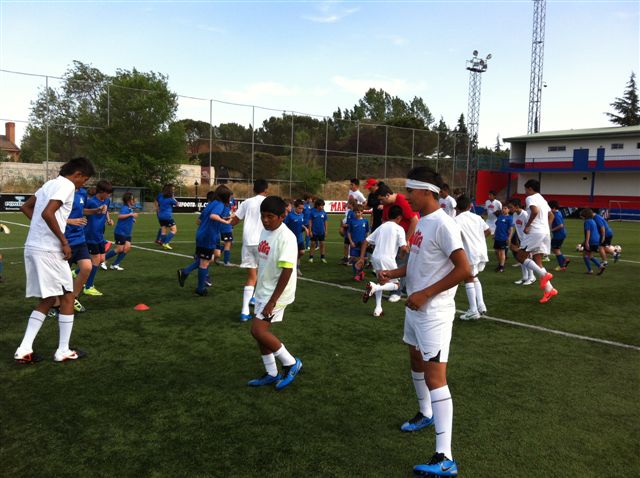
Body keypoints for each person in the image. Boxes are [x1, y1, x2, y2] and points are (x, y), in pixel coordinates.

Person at [377, 166, 469, 476]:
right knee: (415, 360)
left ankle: (445, 457)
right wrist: (395, 273)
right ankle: (425, 412)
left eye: (410, 191)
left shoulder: (443, 224)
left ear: (426, 192)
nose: (405, 197)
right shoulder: (422, 223)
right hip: (415, 307)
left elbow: (464, 269)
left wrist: (426, 293)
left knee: (435, 377)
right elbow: (419, 260)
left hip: (434, 312)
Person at [14, 157, 96, 364]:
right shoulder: (67, 185)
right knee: (68, 296)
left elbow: (26, 208)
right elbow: (47, 213)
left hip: (34, 247)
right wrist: (63, 241)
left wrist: (42, 230)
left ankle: (24, 349)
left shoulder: (49, 183)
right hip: (49, 250)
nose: (82, 185)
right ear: (77, 174)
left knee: (50, 299)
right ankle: (63, 351)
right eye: (83, 180)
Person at [246, 195, 302, 391]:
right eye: (263, 216)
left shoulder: (287, 238)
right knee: (260, 335)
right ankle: (271, 373)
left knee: (257, 330)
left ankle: (291, 363)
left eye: (270, 216)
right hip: (264, 291)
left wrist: (273, 301)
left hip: (278, 294)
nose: (265, 220)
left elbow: (287, 271)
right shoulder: (265, 231)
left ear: (281, 217)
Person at [178, 185, 232, 295]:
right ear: (225, 196)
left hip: (202, 234)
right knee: (204, 263)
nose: (230, 199)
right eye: (230, 196)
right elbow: (213, 216)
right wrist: (225, 222)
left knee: (207, 259)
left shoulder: (212, 203)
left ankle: (185, 272)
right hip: (208, 235)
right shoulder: (220, 205)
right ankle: (200, 289)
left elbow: (200, 220)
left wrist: (221, 219)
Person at [512, 179, 558, 304]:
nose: (525, 192)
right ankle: (549, 290)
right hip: (544, 232)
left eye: (526, 189)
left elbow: (535, 211)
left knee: (520, 257)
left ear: (530, 189)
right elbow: (551, 215)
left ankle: (545, 275)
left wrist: (528, 226)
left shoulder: (530, 198)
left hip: (535, 232)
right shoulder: (542, 199)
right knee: (538, 261)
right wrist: (545, 227)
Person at [358, 205, 406, 317]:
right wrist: (403, 253)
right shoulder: (399, 229)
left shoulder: (381, 227)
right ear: (399, 217)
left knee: (381, 281)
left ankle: (378, 309)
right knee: (396, 285)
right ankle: (375, 288)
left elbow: (365, 241)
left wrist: (361, 258)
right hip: (388, 259)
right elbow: (403, 248)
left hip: (375, 257)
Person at [231, 179, 269, 321]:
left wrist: (227, 224)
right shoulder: (268, 201)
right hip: (263, 242)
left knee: (252, 277)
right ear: (266, 189)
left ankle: (244, 311)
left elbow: (235, 220)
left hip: (248, 242)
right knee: (265, 275)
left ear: (254, 190)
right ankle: (258, 305)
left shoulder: (247, 202)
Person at [64, 186, 106, 313]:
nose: (85, 181)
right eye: (83, 177)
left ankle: (72, 298)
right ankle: (54, 304)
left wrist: (96, 211)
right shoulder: (62, 191)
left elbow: (82, 210)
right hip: (64, 239)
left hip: (79, 238)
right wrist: (70, 221)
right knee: (62, 277)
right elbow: (50, 214)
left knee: (87, 267)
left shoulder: (82, 192)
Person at [377, 183, 420, 303]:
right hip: (394, 240)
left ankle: (396, 292)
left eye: (381, 199)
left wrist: (406, 240)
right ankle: (404, 288)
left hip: (404, 240)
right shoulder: (387, 205)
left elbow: (415, 221)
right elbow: (385, 221)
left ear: (387, 195)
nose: (381, 203)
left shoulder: (402, 201)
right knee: (401, 265)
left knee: (397, 265)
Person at [455, 195, 490, 320]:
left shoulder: (456, 220)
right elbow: (488, 231)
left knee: (468, 278)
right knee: (474, 276)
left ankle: (473, 310)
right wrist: (478, 240)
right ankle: (481, 305)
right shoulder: (477, 217)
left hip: (469, 252)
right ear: (470, 206)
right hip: (481, 251)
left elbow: (455, 236)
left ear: (457, 207)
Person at [83, 180, 113, 297]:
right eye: (107, 192)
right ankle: (88, 287)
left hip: (100, 234)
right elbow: (81, 211)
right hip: (90, 234)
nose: (109, 195)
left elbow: (106, 212)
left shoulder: (107, 200)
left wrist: (108, 219)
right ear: (101, 191)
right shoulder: (91, 202)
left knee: (101, 259)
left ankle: (77, 272)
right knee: (95, 260)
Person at [104, 192, 138, 271]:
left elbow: (127, 217)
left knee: (127, 248)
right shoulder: (125, 208)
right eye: (133, 199)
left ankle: (115, 264)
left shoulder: (130, 209)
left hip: (127, 233)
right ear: (129, 200)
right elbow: (119, 216)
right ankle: (103, 260)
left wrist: (132, 219)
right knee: (119, 249)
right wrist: (131, 215)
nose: (134, 201)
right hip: (120, 232)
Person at [507, 198, 535, 285]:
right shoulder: (515, 215)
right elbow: (517, 228)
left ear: (517, 206)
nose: (509, 209)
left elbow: (530, 228)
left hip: (528, 240)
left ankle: (532, 277)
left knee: (527, 258)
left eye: (511, 207)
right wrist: (518, 240)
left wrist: (529, 241)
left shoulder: (525, 215)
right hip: (521, 240)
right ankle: (525, 277)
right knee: (521, 258)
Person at [284, 199, 308, 276]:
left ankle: (296, 266)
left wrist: (305, 228)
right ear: (295, 207)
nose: (301, 210)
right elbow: (284, 225)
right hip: (291, 239)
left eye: (302, 209)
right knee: (292, 254)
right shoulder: (290, 215)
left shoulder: (302, 215)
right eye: (299, 208)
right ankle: (297, 269)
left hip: (299, 237)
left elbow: (300, 223)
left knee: (302, 252)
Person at [580, 208, 606, 275]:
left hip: (591, 241)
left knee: (585, 255)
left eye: (582, 216)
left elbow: (588, 232)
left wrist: (586, 242)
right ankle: (600, 266)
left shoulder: (587, 222)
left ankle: (590, 270)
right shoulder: (593, 221)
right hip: (596, 240)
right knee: (590, 255)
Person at [347, 204, 370, 281]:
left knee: (364, 259)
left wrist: (367, 241)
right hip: (354, 243)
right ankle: (356, 274)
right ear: (354, 212)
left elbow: (367, 232)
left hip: (363, 245)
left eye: (359, 212)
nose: (358, 213)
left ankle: (360, 272)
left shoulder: (365, 221)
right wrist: (351, 241)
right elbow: (349, 232)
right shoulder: (351, 221)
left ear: (362, 212)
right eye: (356, 212)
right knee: (354, 259)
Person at [155, 184, 178, 250]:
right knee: (174, 230)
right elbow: (177, 204)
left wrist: (157, 208)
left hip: (160, 216)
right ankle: (166, 242)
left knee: (163, 230)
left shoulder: (160, 196)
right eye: (172, 190)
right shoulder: (170, 199)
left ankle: (163, 243)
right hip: (167, 216)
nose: (173, 191)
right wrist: (173, 197)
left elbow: (156, 201)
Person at [548, 200, 569, 272]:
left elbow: (560, 225)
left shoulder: (556, 215)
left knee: (555, 250)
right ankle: (564, 260)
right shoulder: (558, 212)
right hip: (561, 235)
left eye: (549, 208)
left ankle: (562, 266)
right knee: (555, 249)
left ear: (553, 208)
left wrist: (552, 230)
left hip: (558, 235)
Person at [493, 205, 513, 273]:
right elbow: (497, 226)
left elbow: (510, 229)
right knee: (497, 252)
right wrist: (495, 234)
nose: (503, 209)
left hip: (503, 237)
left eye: (505, 208)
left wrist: (509, 238)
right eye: (503, 208)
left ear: (508, 210)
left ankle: (501, 267)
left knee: (502, 252)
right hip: (497, 237)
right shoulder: (500, 217)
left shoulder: (509, 218)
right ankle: (500, 264)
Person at [308, 198, 328, 264]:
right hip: (314, 231)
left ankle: (322, 257)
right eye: (321, 205)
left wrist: (326, 231)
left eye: (323, 206)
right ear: (317, 205)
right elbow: (310, 221)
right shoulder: (312, 212)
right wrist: (310, 230)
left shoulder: (324, 212)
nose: (322, 207)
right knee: (313, 244)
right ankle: (311, 257)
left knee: (322, 244)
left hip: (321, 231)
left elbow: (325, 222)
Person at [339, 197, 357, 265]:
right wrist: (344, 224)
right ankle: (345, 258)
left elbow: (354, 223)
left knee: (352, 246)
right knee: (346, 245)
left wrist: (345, 225)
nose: (347, 204)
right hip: (347, 232)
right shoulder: (349, 212)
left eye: (348, 203)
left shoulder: (354, 213)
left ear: (351, 204)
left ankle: (352, 260)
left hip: (352, 232)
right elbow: (348, 221)